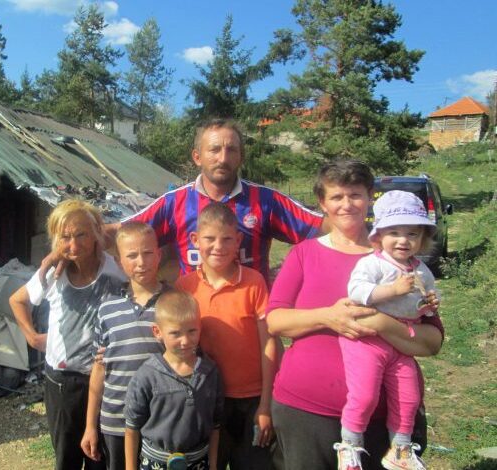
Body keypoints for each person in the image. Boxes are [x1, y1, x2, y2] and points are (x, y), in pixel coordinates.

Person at [265, 160, 444, 470]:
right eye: (336, 197)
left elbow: (432, 341)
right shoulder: (304, 253)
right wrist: (328, 317)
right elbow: (275, 320)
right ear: (322, 203)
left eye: (355, 195)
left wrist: (382, 324)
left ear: (370, 198)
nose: (346, 204)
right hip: (304, 411)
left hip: (382, 417)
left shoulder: (402, 259)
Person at [124, 118, 323, 281]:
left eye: (231, 150)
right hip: (194, 316)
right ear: (197, 157)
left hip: (251, 315)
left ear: (241, 157)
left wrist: (291, 277)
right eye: (214, 149)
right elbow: (122, 234)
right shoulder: (174, 203)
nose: (223, 158)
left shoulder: (266, 201)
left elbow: (323, 229)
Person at [9, 199, 126, 470]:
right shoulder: (53, 274)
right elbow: (17, 300)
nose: (74, 245)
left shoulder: (117, 270)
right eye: (65, 237)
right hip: (64, 383)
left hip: (107, 380)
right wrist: (32, 337)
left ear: (97, 232)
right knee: (66, 458)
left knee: (102, 458)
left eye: (81, 234)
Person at [337, 190, 440, 470]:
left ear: (422, 238)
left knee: (409, 397)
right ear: (379, 236)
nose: (403, 240)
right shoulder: (373, 263)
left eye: (412, 234)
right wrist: (393, 290)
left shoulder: (421, 270)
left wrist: (430, 304)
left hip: (402, 342)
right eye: (394, 232)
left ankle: (400, 448)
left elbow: (424, 303)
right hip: (367, 340)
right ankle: (350, 445)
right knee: (364, 395)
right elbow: (356, 291)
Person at [175, 202, 278, 470]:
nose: (218, 246)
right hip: (207, 397)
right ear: (195, 240)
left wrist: (266, 404)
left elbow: (269, 342)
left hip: (252, 397)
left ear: (239, 241)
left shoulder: (254, 282)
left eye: (227, 239)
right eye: (209, 238)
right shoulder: (185, 287)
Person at [81, 222, 168, 470]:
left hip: (160, 420)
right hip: (115, 420)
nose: (141, 262)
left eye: (148, 253)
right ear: (119, 263)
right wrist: (90, 425)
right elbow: (99, 369)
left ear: (159, 255)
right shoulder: (107, 309)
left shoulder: (174, 304)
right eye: (132, 255)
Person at [124, 290, 223, 470]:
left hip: (199, 462)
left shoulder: (210, 372)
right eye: (175, 333)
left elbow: (215, 426)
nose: (185, 341)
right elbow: (132, 429)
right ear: (157, 332)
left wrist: (214, 465)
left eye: (192, 331)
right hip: (155, 463)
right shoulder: (146, 376)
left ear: (200, 327)